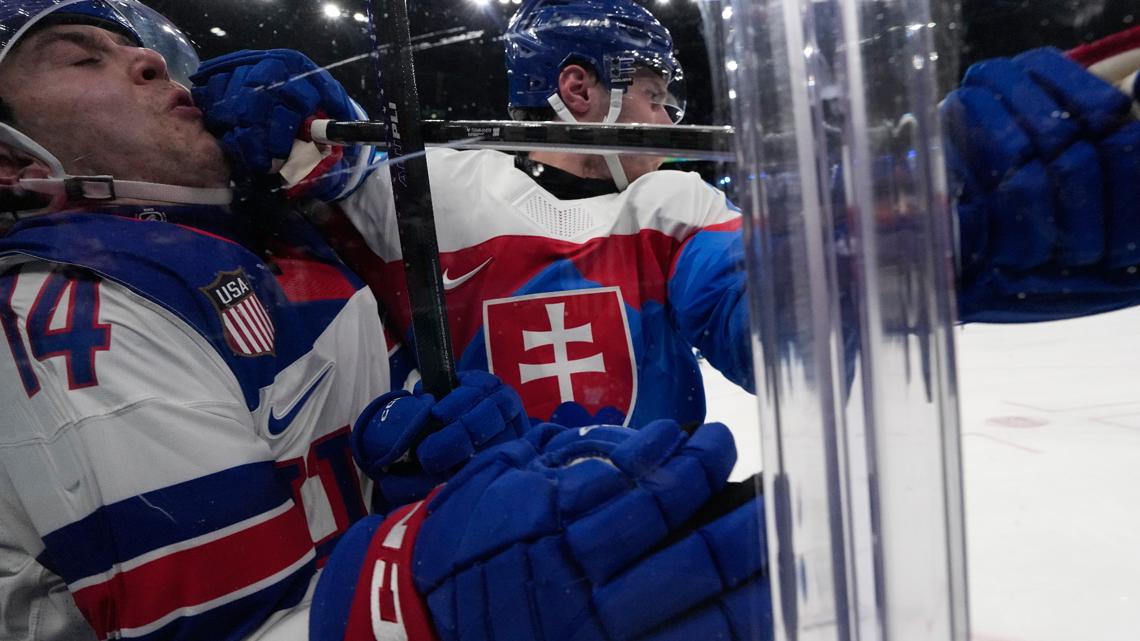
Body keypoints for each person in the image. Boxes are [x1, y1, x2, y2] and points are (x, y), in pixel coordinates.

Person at [0, 2, 770, 640]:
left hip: (626, 533)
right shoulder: (429, 189)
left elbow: (760, 314)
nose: (670, 117)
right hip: (528, 575)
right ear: (578, 89)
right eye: (654, 93)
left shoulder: (677, 201)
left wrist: (399, 483)